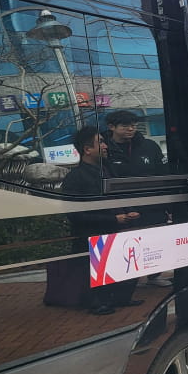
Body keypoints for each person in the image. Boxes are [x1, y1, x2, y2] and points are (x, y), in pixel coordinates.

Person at [60, 125, 142, 314]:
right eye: (100, 143)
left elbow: (119, 197)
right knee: (98, 272)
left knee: (125, 266)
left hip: (116, 231)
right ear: (87, 150)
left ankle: (121, 298)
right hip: (93, 236)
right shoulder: (75, 178)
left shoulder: (108, 171)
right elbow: (76, 215)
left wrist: (130, 211)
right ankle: (98, 302)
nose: (105, 146)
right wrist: (114, 219)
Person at [102, 109, 171, 287]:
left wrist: (165, 203)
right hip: (123, 206)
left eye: (133, 126)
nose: (130, 129)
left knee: (154, 241)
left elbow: (162, 175)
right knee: (126, 244)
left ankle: (154, 276)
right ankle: (127, 280)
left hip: (151, 204)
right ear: (112, 127)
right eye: (125, 126)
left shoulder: (149, 146)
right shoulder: (104, 149)